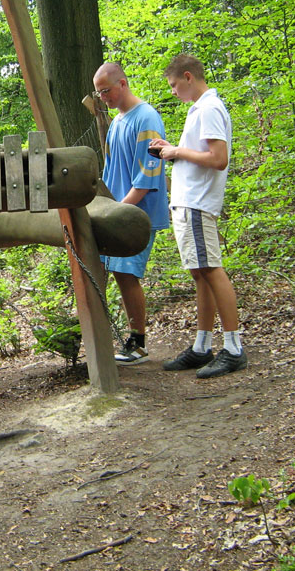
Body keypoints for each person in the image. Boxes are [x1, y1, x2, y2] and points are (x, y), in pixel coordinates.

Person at [149, 54, 245, 378]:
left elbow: (218, 158)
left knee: (212, 270)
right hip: (188, 203)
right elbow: (201, 154)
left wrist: (176, 152)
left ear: (188, 77)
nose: (173, 91)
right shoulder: (199, 110)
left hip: (197, 204)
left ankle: (233, 348)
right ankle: (202, 345)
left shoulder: (209, 108)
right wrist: (173, 148)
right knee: (200, 273)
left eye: (174, 85)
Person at [92, 62, 169, 365]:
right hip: (117, 211)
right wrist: (102, 206)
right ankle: (119, 339)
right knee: (114, 272)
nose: (103, 98)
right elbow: (110, 172)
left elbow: (149, 175)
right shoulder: (116, 122)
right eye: (98, 94)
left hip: (137, 214)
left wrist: (121, 210)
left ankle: (138, 344)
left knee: (127, 273)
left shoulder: (147, 118)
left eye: (106, 91)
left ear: (122, 84)